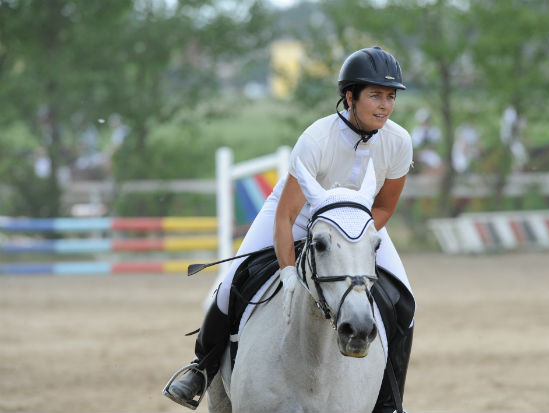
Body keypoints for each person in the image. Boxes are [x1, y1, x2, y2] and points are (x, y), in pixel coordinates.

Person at [165, 46, 415, 413]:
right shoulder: (317, 139)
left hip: (357, 224)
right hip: (295, 216)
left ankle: (389, 403)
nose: (385, 105)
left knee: (407, 302)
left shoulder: (398, 141)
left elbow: (384, 207)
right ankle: (200, 369)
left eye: (390, 96)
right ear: (350, 97)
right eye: (375, 95)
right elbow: (285, 217)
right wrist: (287, 272)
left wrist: (346, 241)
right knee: (226, 286)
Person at [410, 107, 443, 174]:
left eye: (426, 120)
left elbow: (436, 144)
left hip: (431, 153)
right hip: (420, 155)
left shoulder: (434, 131)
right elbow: (415, 146)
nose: (425, 122)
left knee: (437, 164)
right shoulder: (416, 132)